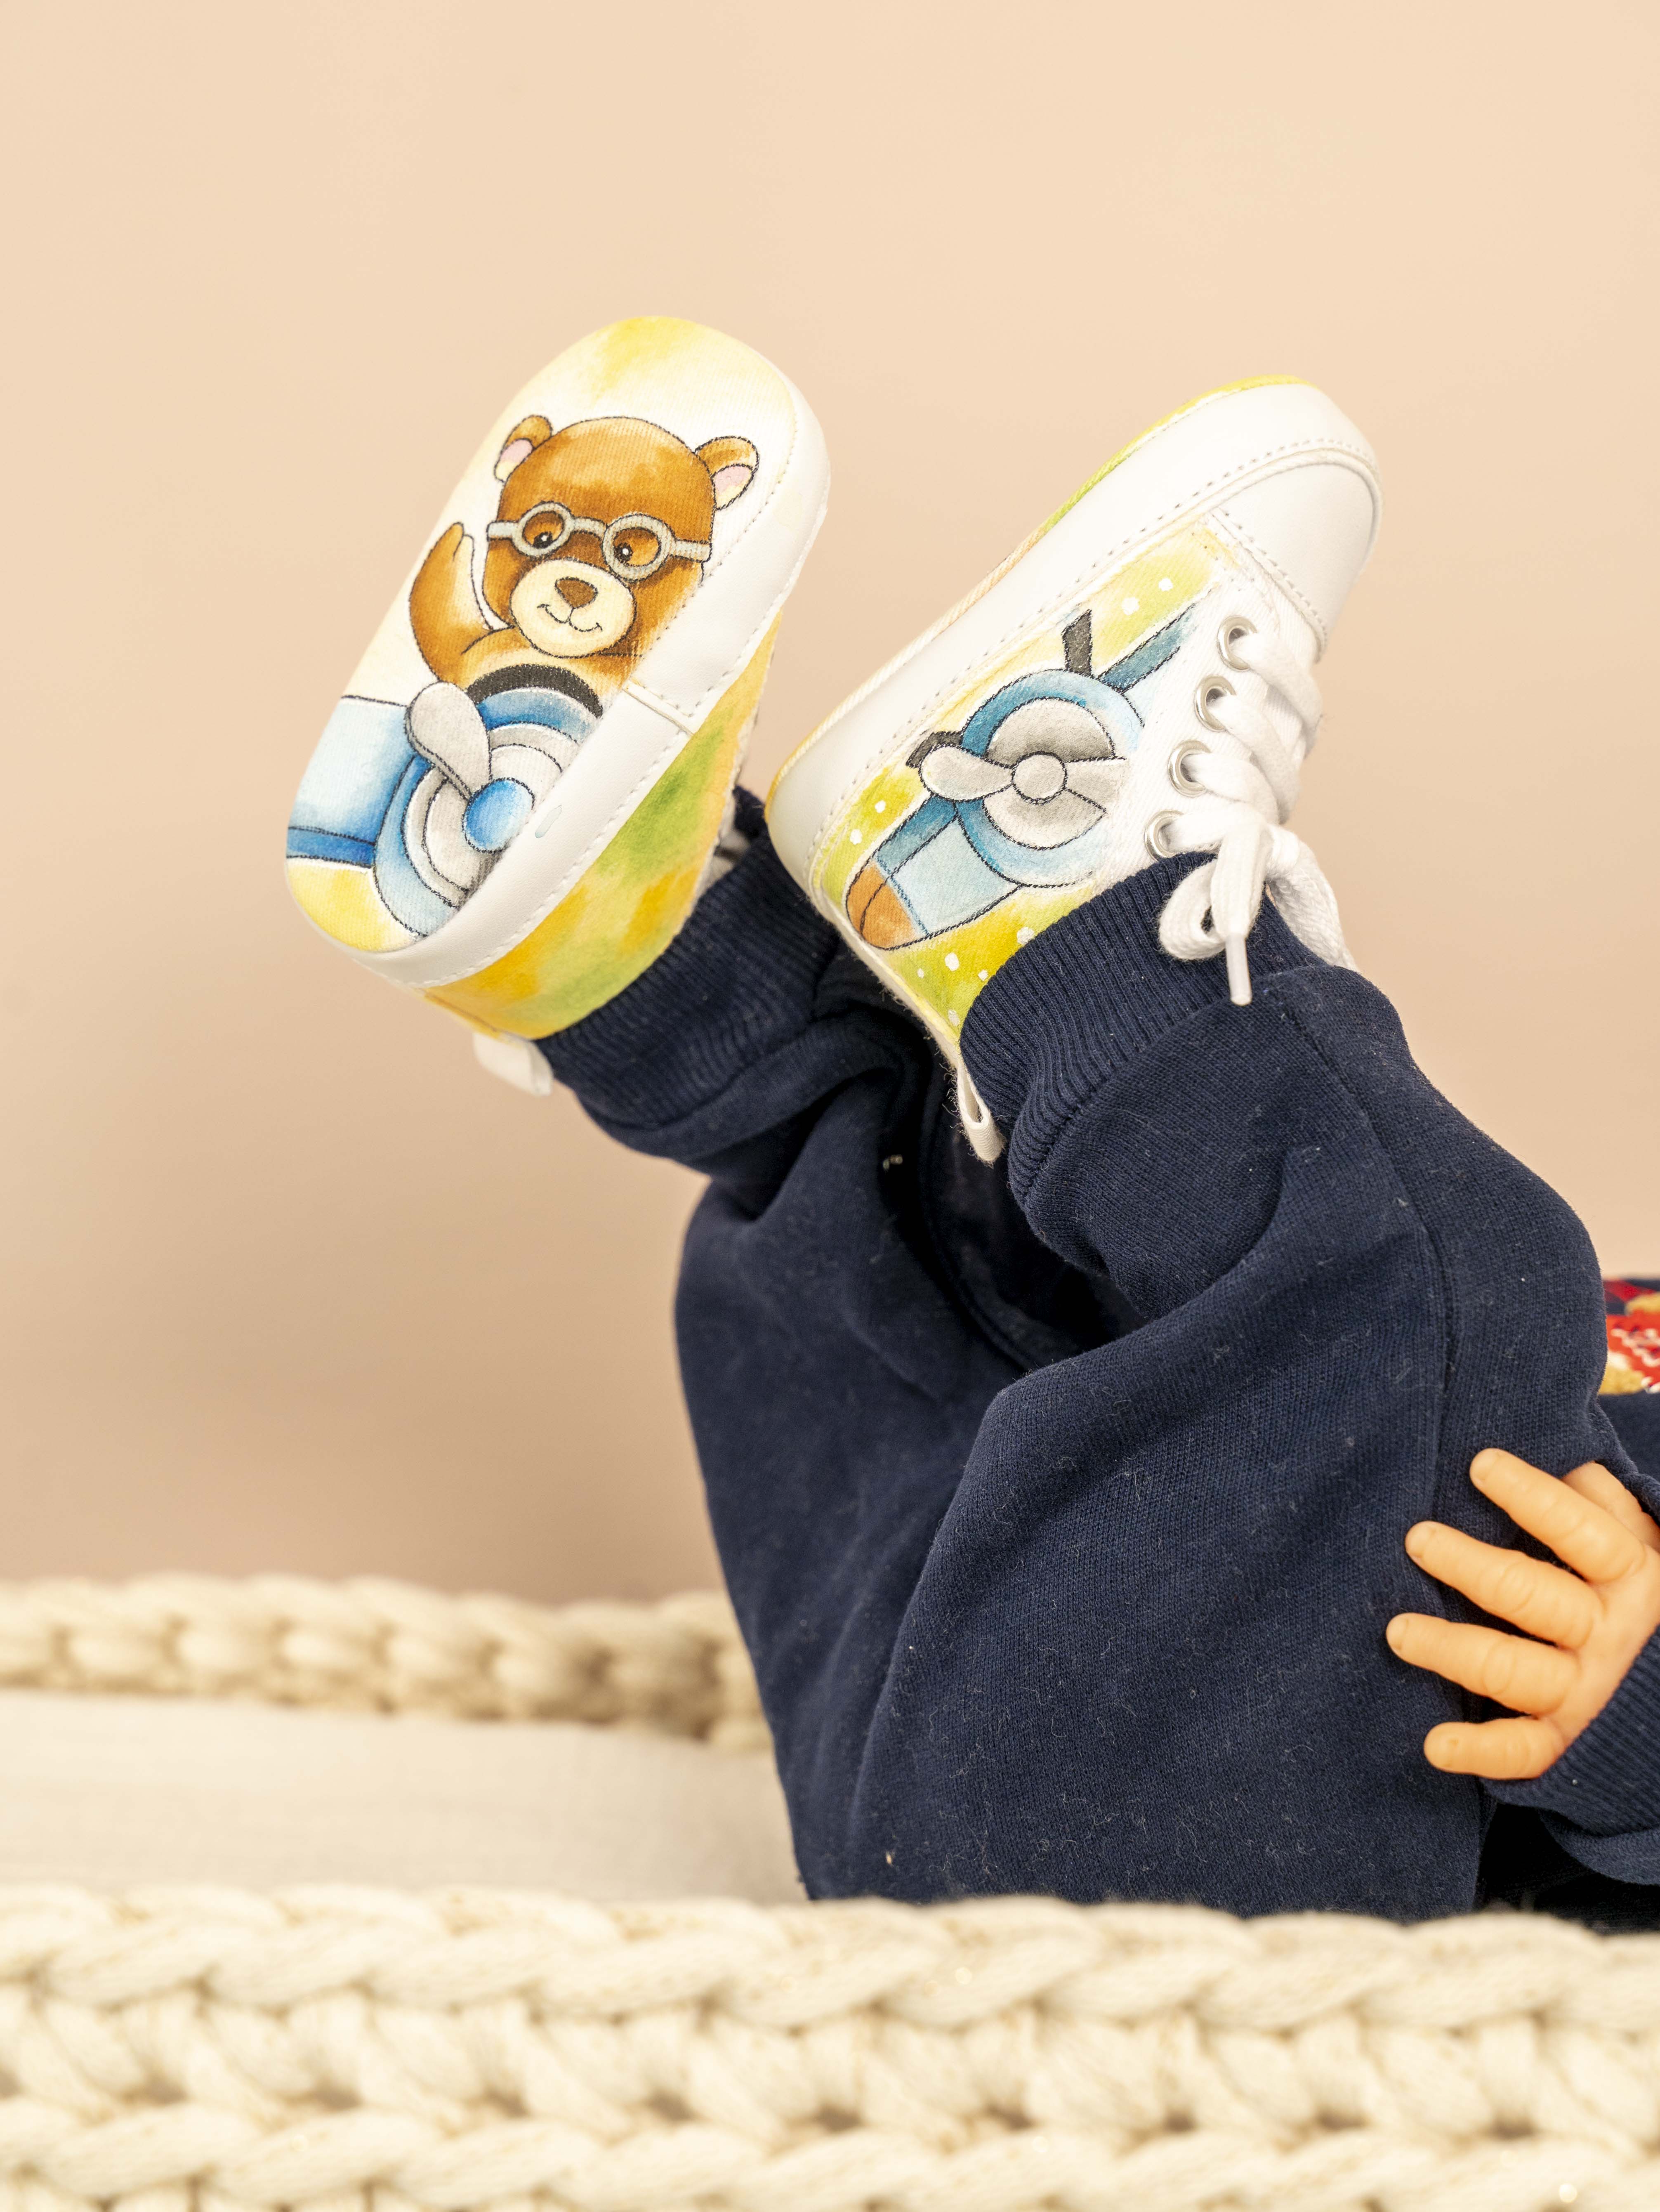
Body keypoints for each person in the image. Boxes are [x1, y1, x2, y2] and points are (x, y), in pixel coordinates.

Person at [291, 323, 1660, 1926]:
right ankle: (643, 963)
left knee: (1427, 1289)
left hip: (1142, 1847)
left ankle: (1099, 941)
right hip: (914, 1619)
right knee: (956, 1232)